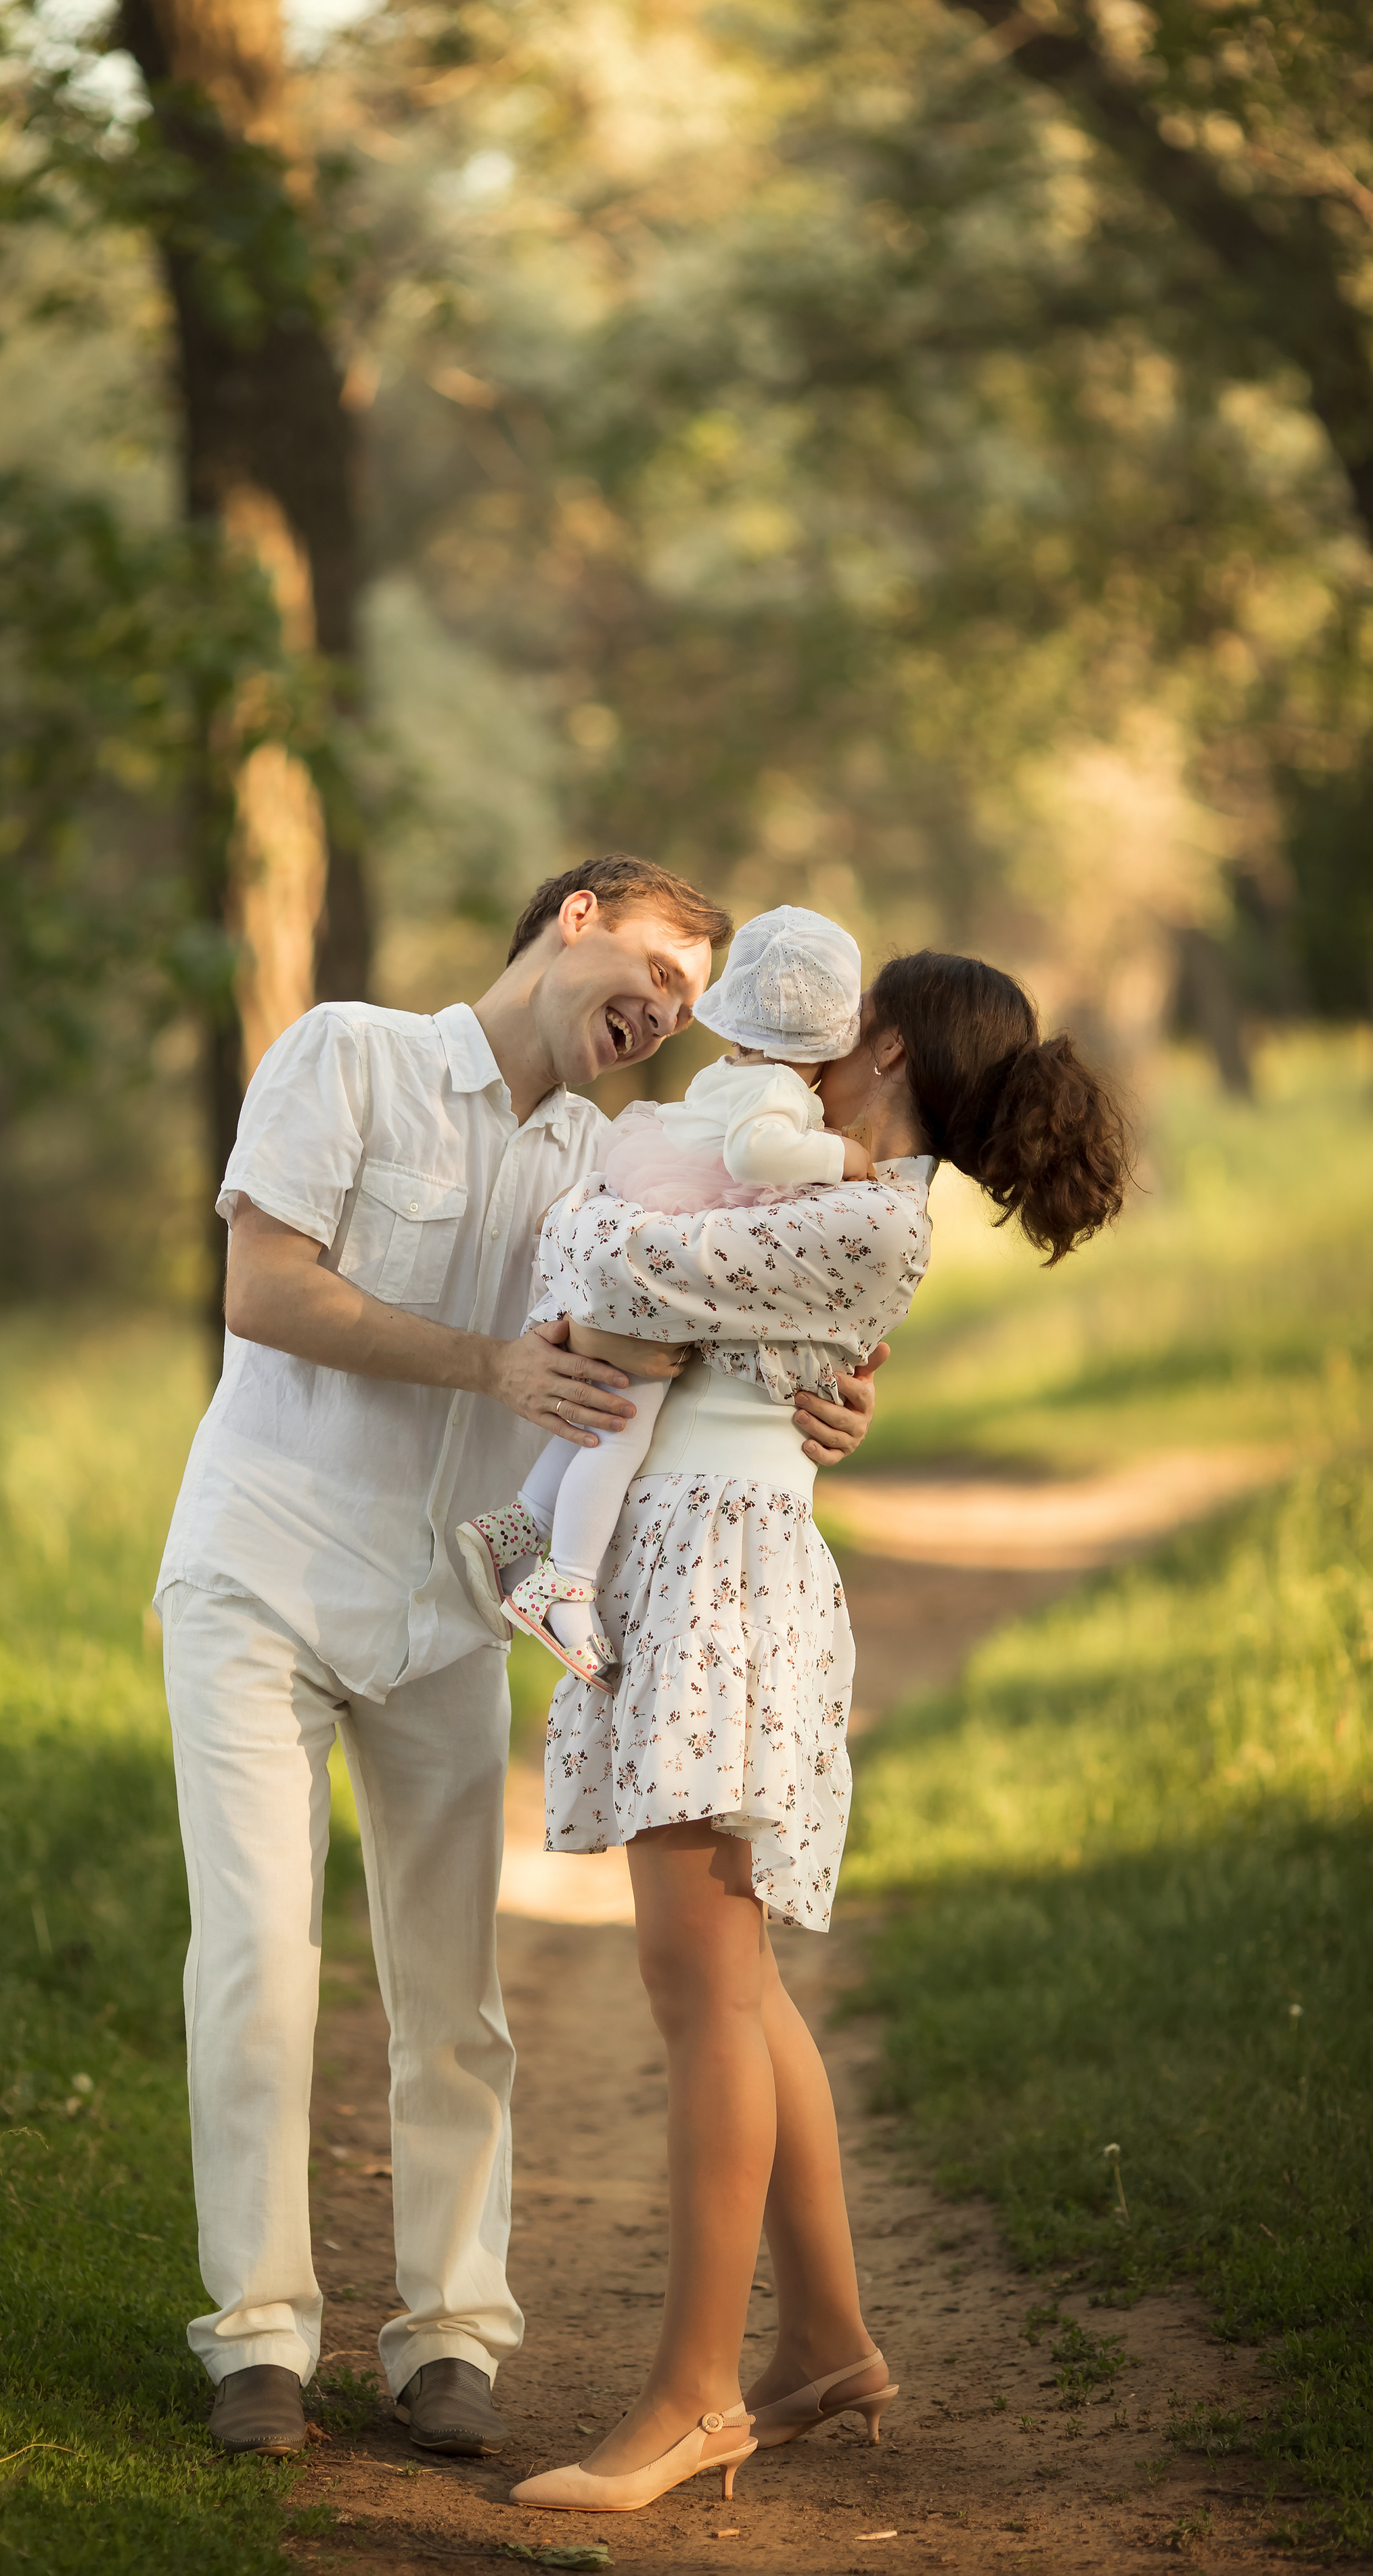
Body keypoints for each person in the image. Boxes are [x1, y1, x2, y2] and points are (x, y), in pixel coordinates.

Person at [152, 858, 884, 2465]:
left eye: (694, 999)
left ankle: (449, 2336)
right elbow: (262, 1285)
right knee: (259, 1964)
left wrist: (828, 1397)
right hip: (260, 1575)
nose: (666, 1009)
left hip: (448, 1606)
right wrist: (488, 1358)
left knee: (454, 1993)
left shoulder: (612, 1159)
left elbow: (717, 1318)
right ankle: (258, 2338)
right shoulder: (349, 1053)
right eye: (654, 964)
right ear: (572, 920)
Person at [508, 949, 1131, 2515]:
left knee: (696, 1989)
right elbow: (691, 1302)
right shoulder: (834, 1192)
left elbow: (614, 1267)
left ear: (881, 1043)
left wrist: (590, 1205)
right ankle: (826, 2341)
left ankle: (692, 2394)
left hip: (721, 1574)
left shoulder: (860, 1210)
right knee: (729, 1979)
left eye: (835, 1033)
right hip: (699, 1551)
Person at [457, 906, 873, 1686]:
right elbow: (755, 1155)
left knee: (599, 1404)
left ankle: (514, 1529)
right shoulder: (781, 1090)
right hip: (661, 1243)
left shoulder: (729, 1072)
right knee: (621, 1425)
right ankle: (564, 1585)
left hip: (631, 1210)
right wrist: (837, 1152)